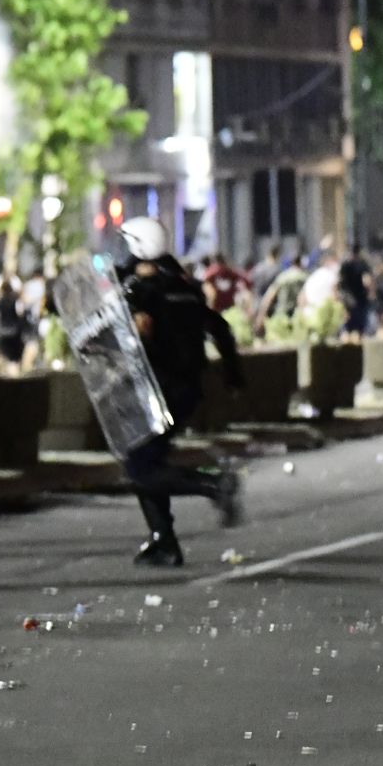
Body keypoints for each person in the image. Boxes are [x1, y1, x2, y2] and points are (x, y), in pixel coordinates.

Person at [118, 217, 245, 567]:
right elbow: (219, 327)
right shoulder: (185, 286)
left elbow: (135, 333)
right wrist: (233, 375)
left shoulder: (143, 291)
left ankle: (214, 486)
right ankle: (164, 542)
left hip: (158, 391)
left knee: (140, 469)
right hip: (186, 390)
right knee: (147, 462)